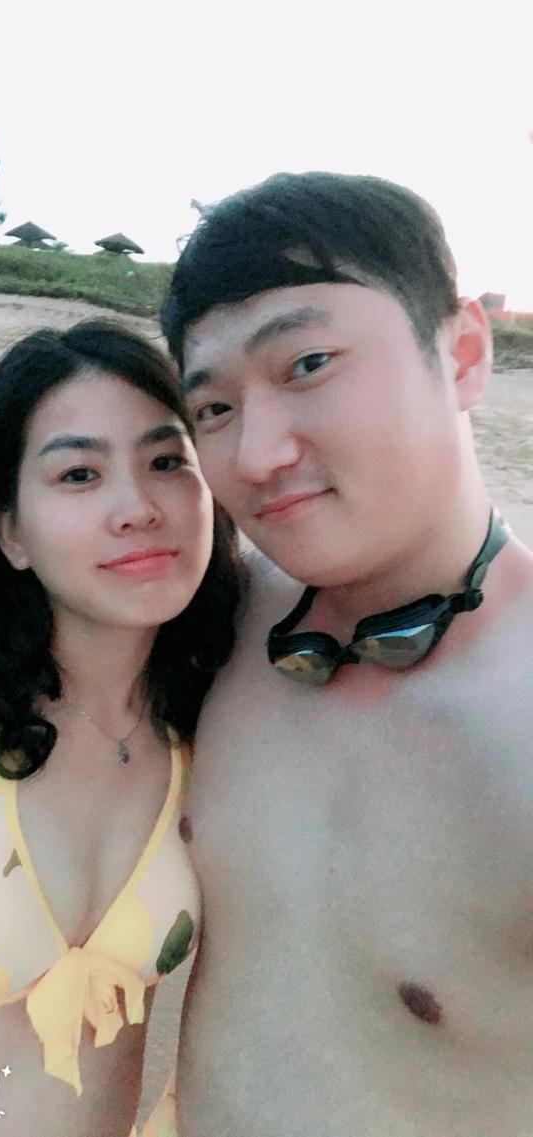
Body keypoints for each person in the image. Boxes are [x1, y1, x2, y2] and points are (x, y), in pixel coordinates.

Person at [150, 171, 533, 1137]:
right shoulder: (215, 622)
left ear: (463, 353)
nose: (256, 456)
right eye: (213, 409)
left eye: (309, 363)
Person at [0, 319, 244, 1137]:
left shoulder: (223, 732)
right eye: (79, 473)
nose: (138, 508)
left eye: (168, 462)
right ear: (12, 531)